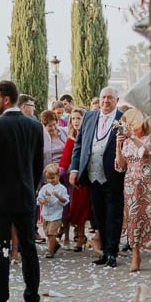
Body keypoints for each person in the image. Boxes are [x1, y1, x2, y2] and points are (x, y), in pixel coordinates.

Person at [0, 80, 44, 302]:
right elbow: (37, 164)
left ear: (5, 100)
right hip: (25, 196)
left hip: (0, 200)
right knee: (29, 249)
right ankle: (32, 298)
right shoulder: (35, 126)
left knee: (1, 251)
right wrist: (30, 189)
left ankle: (1, 300)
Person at [69, 86, 125, 267]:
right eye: (103, 97)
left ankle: (112, 252)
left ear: (116, 100)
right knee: (99, 214)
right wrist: (75, 169)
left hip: (114, 174)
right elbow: (79, 144)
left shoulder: (122, 118)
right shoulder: (90, 116)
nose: (105, 101)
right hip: (92, 174)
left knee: (114, 214)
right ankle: (103, 250)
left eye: (110, 98)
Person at [114, 109, 151, 273]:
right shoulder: (128, 141)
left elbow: (147, 151)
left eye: (134, 122)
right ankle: (135, 255)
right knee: (133, 218)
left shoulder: (150, 137)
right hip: (131, 184)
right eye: (128, 123)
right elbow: (121, 165)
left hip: (149, 182)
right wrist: (118, 145)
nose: (130, 126)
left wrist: (132, 136)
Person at [58, 108, 92, 252]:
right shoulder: (71, 138)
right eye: (73, 119)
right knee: (78, 207)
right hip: (76, 179)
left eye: (79, 118)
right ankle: (80, 235)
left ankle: (91, 236)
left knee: (90, 208)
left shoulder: (91, 134)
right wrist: (58, 173)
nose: (76, 121)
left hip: (91, 175)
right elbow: (65, 159)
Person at [37, 164, 69, 258]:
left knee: (52, 232)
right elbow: (39, 198)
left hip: (56, 214)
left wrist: (58, 196)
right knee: (47, 232)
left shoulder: (62, 188)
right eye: (48, 178)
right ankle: (55, 244)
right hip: (46, 214)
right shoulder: (45, 187)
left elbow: (65, 200)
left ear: (58, 175)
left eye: (53, 178)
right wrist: (42, 200)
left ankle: (50, 250)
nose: (50, 180)